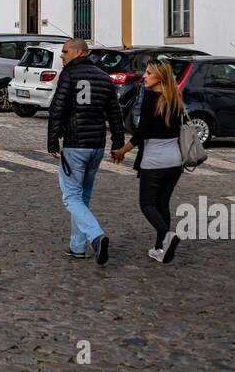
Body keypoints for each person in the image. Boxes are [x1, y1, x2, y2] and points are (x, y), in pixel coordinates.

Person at [47, 37, 125, 267]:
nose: (62, 55)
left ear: (79, 52)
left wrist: (52, 142)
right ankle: (77, 246)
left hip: (75, 144)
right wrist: (117, 143)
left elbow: (57, 109)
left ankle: (96, 236)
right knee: (83, 198)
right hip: (96, 146)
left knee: (71, 196)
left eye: (65, 51)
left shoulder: (69, 75)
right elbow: (114, 113)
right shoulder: (103, 77)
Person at [113, 61, 187, 264]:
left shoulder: (150, 97)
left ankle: (165, 235)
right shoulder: (175, 98)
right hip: (175, 161)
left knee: (146, 203)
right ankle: (158, 249)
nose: (144, 76)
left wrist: (122, 151)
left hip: (154, 160)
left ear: (160, 77)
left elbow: (142, 132)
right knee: (162, 203)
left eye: (148, 73)